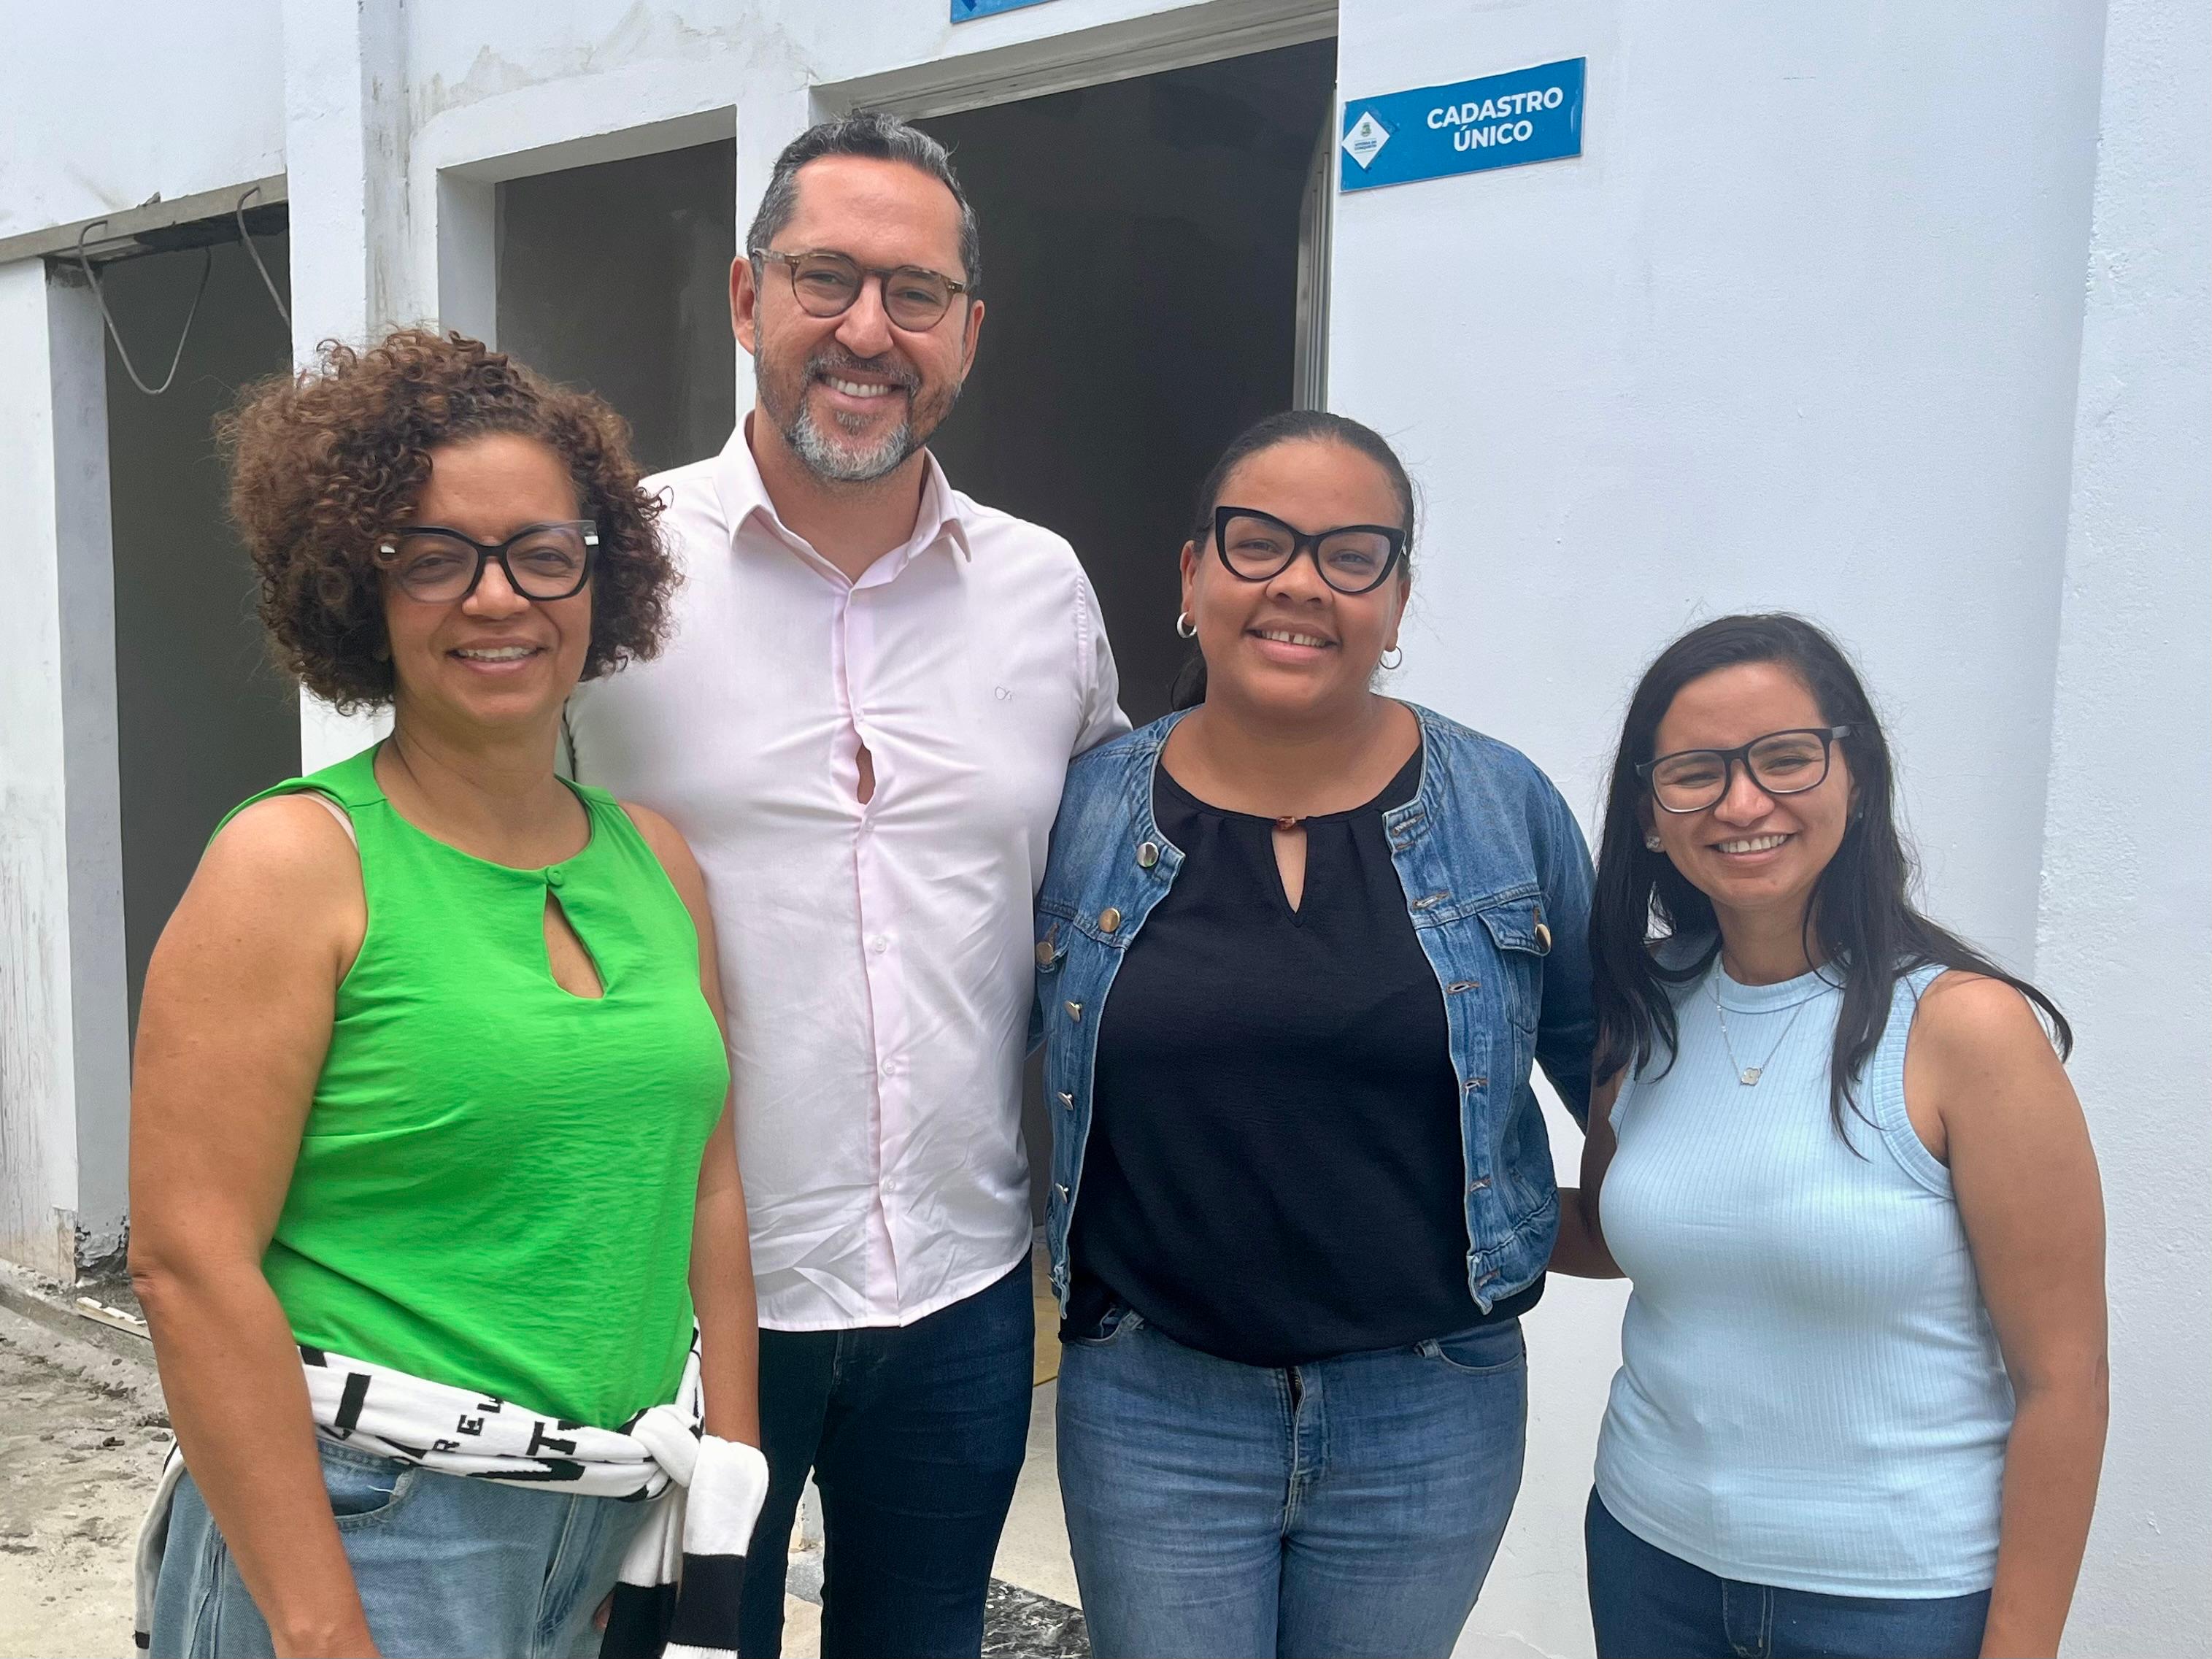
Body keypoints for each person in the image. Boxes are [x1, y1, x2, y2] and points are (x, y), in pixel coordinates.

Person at [564, 112, 1126, 1658]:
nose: (868, 330)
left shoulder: (1042, 589)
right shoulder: (605, 571)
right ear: (749, 297)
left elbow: (1106, 895)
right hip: (669, 1294)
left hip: (961, 1285)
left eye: (915, 292)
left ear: (968, 333)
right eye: (827, 279)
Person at [128, 330, 765, 1659]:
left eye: (542, 552)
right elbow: (189, 1262)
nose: (496, 598)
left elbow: (705, 1186)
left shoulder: (657, 863)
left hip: (599, 1523)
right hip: (361, 1531)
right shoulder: (293, 864)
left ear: (599, 573)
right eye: (435, 557)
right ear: (360, 588)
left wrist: (722, 1492)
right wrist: (321, 1628)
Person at [1031, 410, 1597, 1659]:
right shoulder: (1084, 813)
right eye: (1259, 542)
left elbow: (1618, 1065)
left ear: (1396, 602)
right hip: (1154, 1405)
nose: (1299, 581)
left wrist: (1628, 1229)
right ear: (1193, 575)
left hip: (1430, 1409)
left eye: (1351, 554)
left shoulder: (1503, 808)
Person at [1552, 613, 2107, 1659]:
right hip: (1648, 1562)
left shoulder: (1965, 1029)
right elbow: (1618, 1235)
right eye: (1696, 772)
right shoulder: (1646, 1006)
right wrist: (1402, 1186)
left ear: (1856, 779)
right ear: (1651, 815)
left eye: (1785, 758)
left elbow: (2064, 1380)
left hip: (1895, 1603)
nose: (1742, 802)